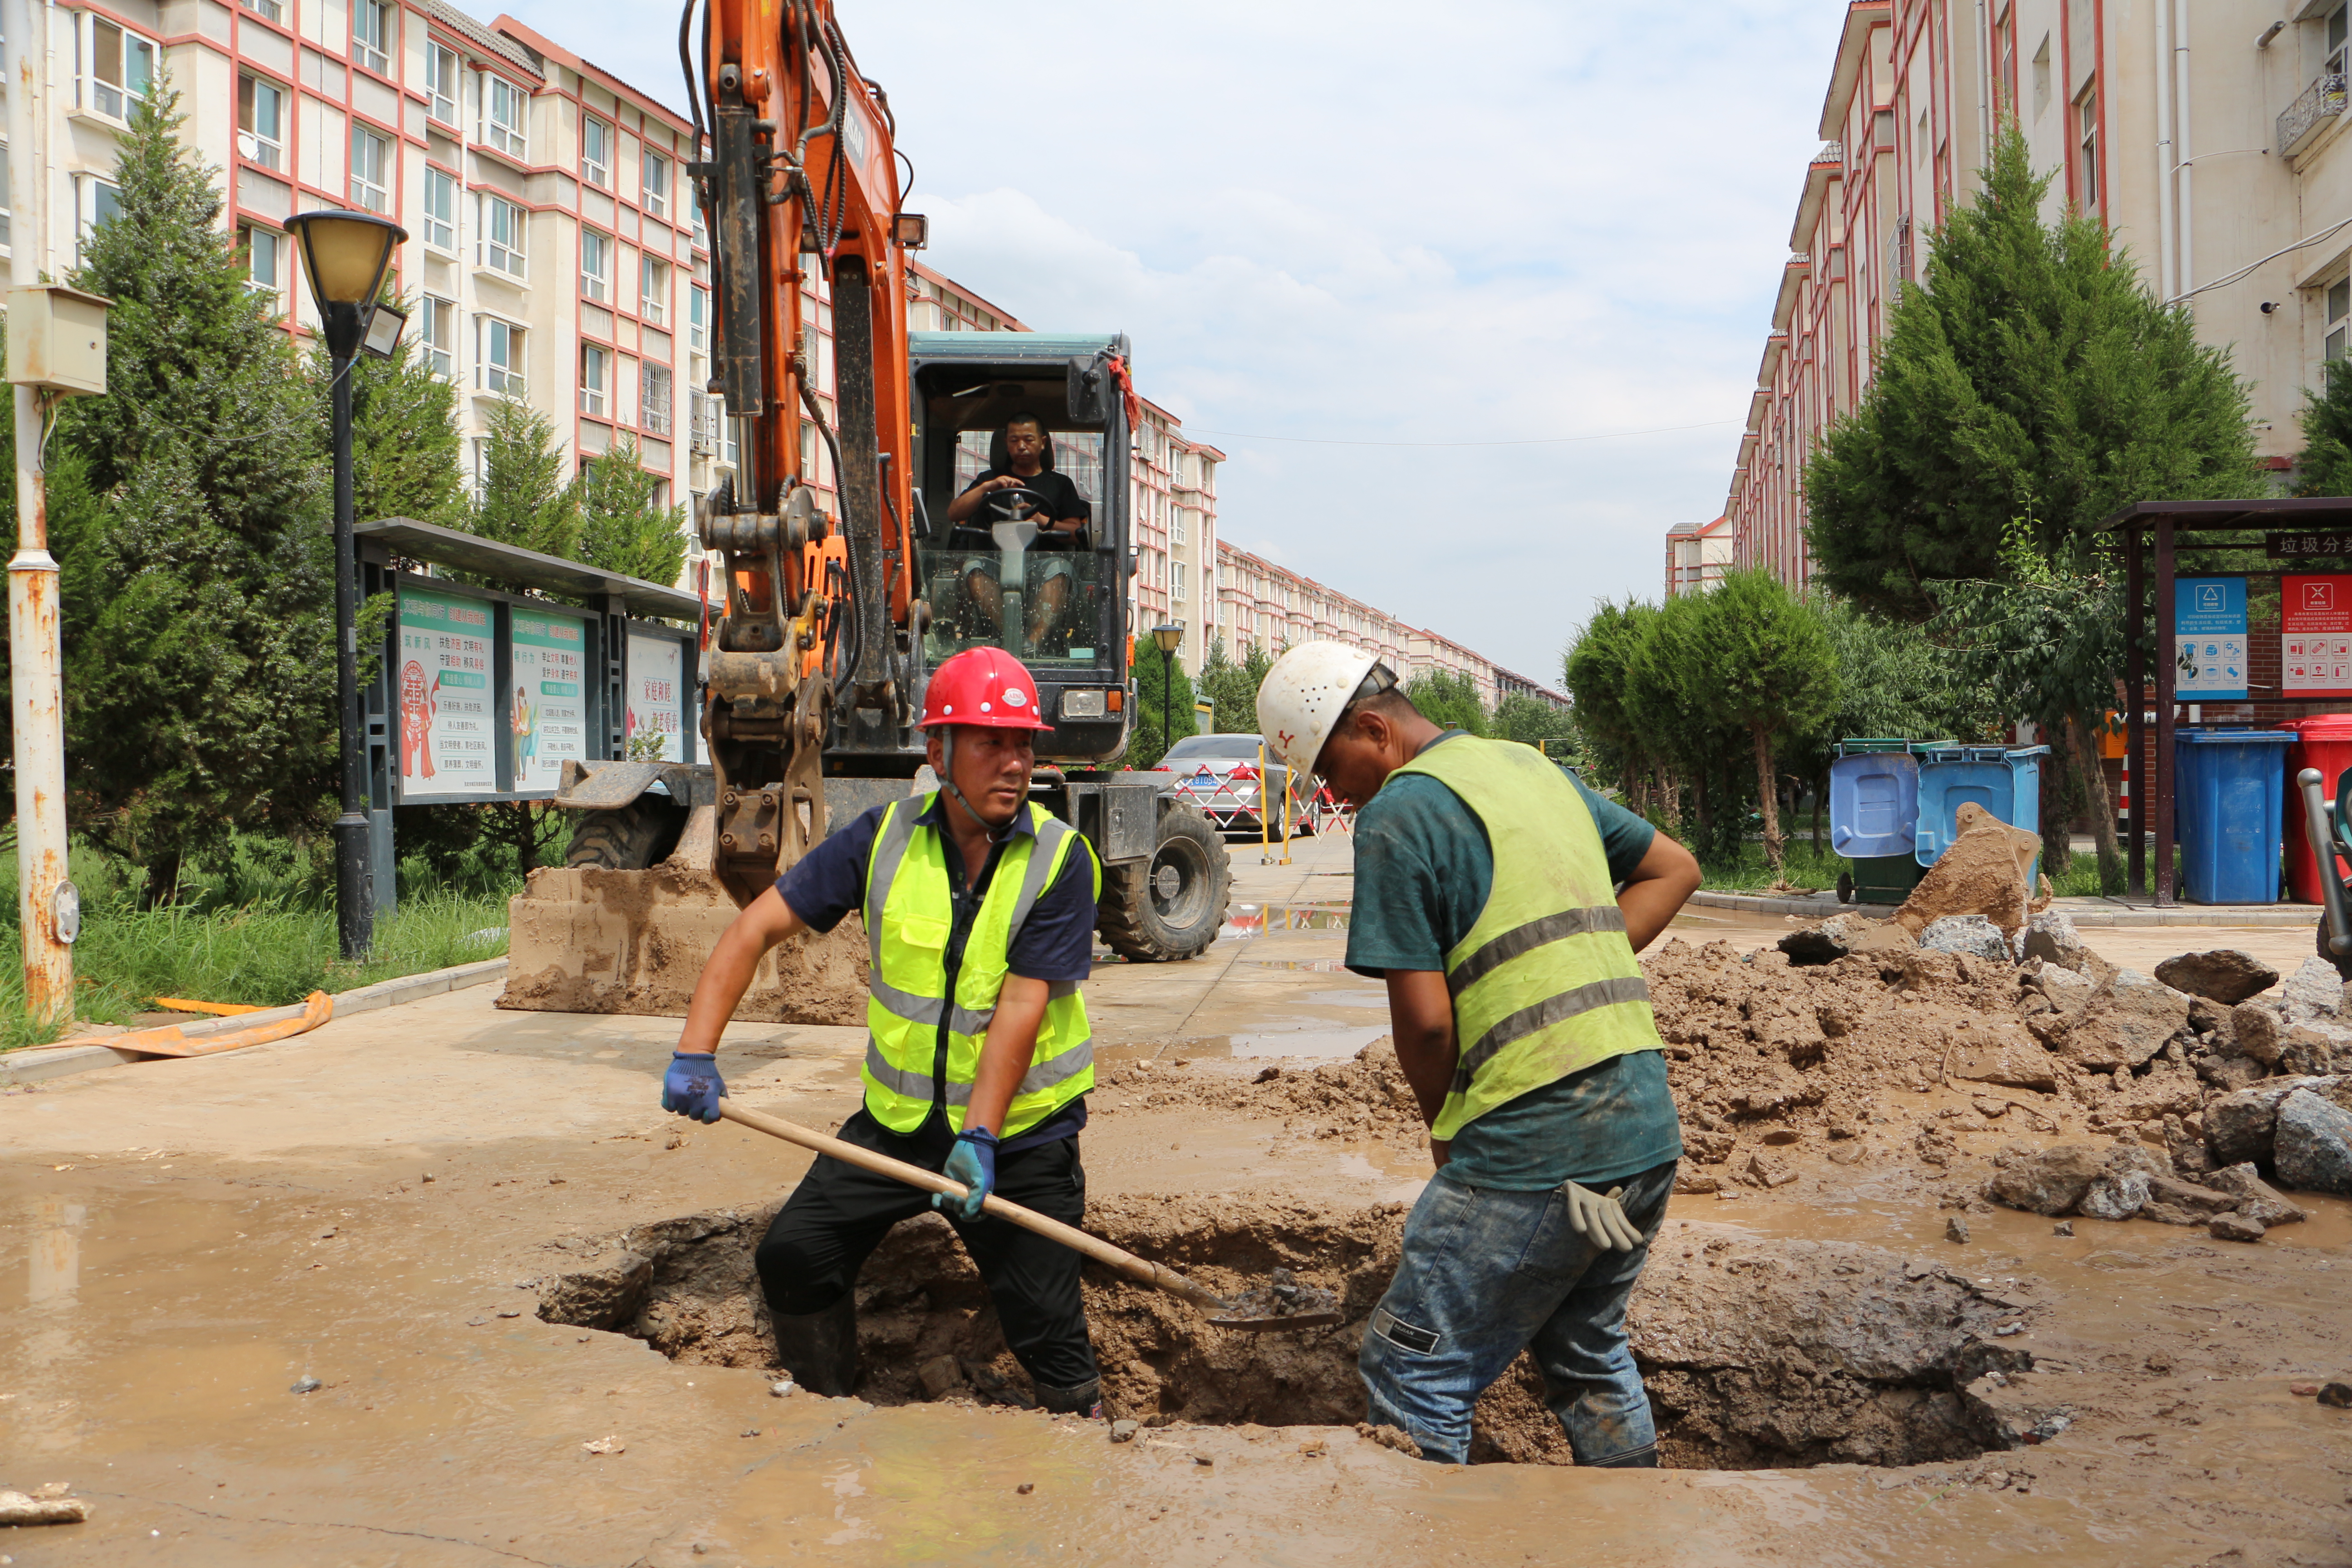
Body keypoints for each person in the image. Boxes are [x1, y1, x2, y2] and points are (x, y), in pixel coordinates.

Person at [1257, 642, 1702, 1467]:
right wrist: (1579, 960)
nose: (1334, 793)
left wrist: (1444, 1127)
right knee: (1585, 1352)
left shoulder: (1398, 814)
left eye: (1329, 767)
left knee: (1411, 1362)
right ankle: (1635, 1536)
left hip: (1539, 1144)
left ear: (1370, 729)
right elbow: (1672, 868)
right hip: (1641, 1130)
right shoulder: (1528, 769)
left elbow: (1424, 1026)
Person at [657, 644, 1106, 1415]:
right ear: (938, 750)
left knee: (1046, 1326)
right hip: (895, 1130)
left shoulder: (1058, 861)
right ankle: (826, 1408)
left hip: (1019, 1140)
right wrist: (695, 1052)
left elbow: (1021, 1009)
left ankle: (1084, 1442)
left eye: (1022, 743)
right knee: (794, 1256)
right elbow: (752, 930)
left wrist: (983, 1138)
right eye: (989, 741)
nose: (1013, 762)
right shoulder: (883, 838)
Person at [944, 413, 1091, 647]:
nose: (1021, 446)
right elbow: (954, 513)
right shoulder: (988, 480)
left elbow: (1076, 532)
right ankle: (1015, 637)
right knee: (973, 567)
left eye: (1028, 439)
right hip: (996, 564)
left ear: (1043, 443)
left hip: (1042, 566)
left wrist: (1041, 519)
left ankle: (1033, 642)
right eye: (1014, 440)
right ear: (1006, 444)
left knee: (1060, 569)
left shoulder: (1061, 485)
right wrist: (989, 487)